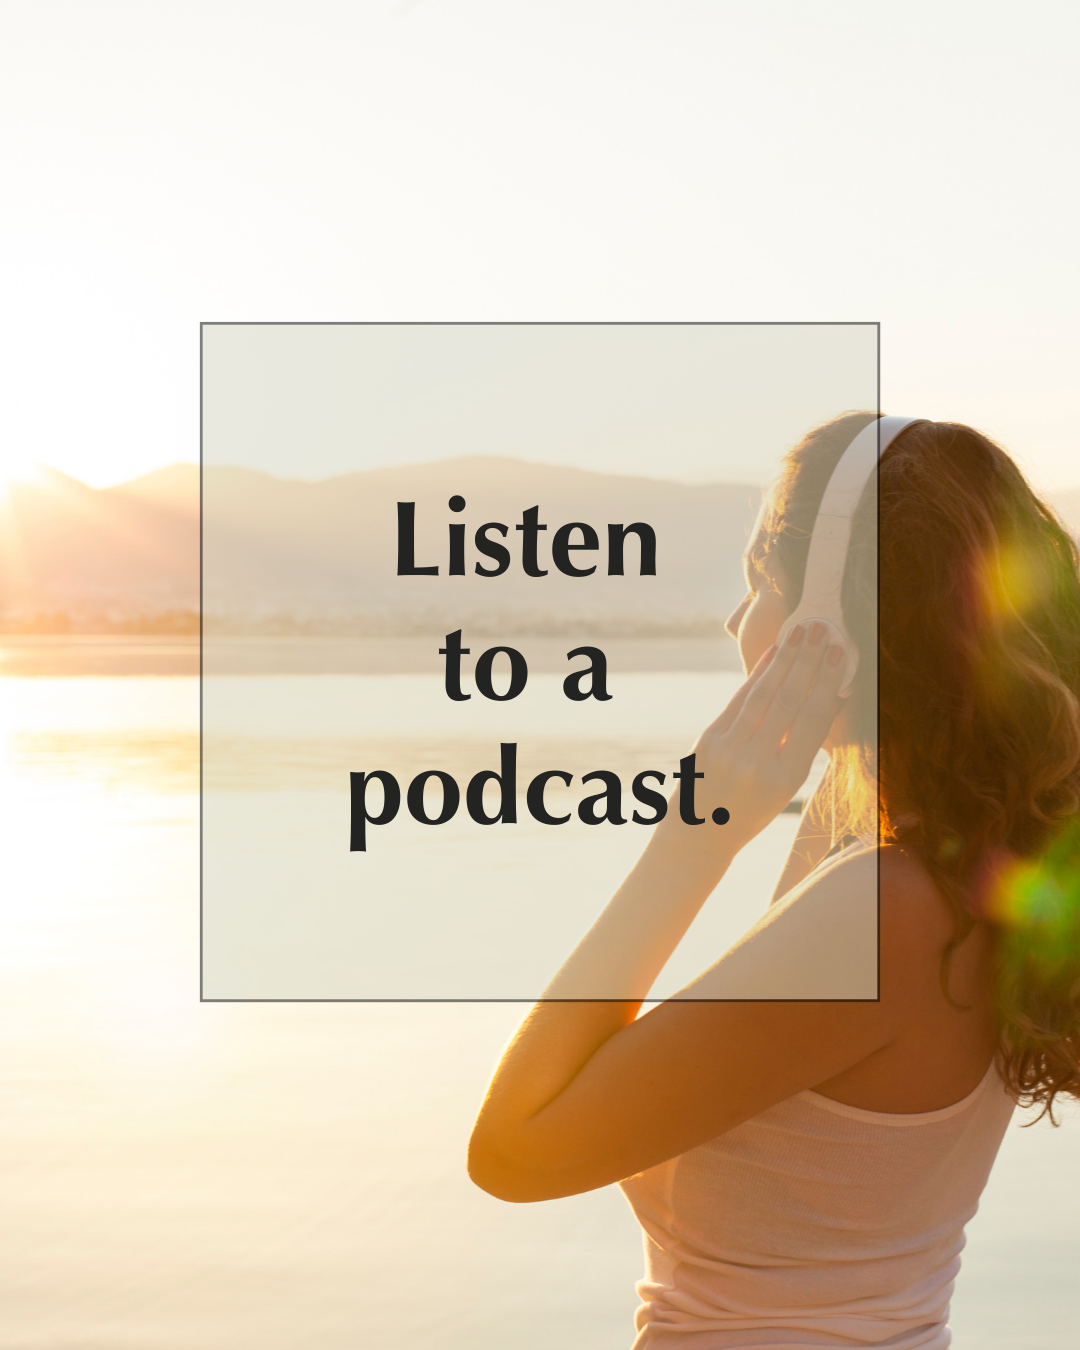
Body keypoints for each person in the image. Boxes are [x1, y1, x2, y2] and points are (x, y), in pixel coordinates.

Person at [467, 412, 1080, 1349]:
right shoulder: (961, 872)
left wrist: (692, 838)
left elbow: (514, 1149)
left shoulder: (882, 914)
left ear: (831, 620)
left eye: (760, 578)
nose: (733, 617)